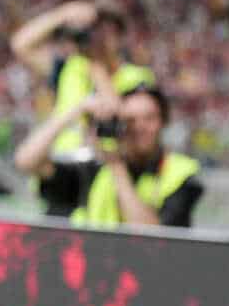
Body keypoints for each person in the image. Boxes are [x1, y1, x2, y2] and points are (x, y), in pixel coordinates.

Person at [14, 85, 204, 227]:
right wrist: (76, 111)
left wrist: (117, 167)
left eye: (149, 118)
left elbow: (154, 237)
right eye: (129, 120)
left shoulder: (180, 174)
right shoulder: (94, 168)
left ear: (164, 122)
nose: (139, 128)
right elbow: (26, 161)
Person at [10, 0, 155, 156]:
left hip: (108, 164)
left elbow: (118, 114)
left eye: (105, 32)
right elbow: (20, 45)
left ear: (119, 37)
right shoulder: (71, 66)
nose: (98, 39)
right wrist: (62, 14)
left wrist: (96, 67)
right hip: (62, 160)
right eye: (93, 30)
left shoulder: (137, 77)